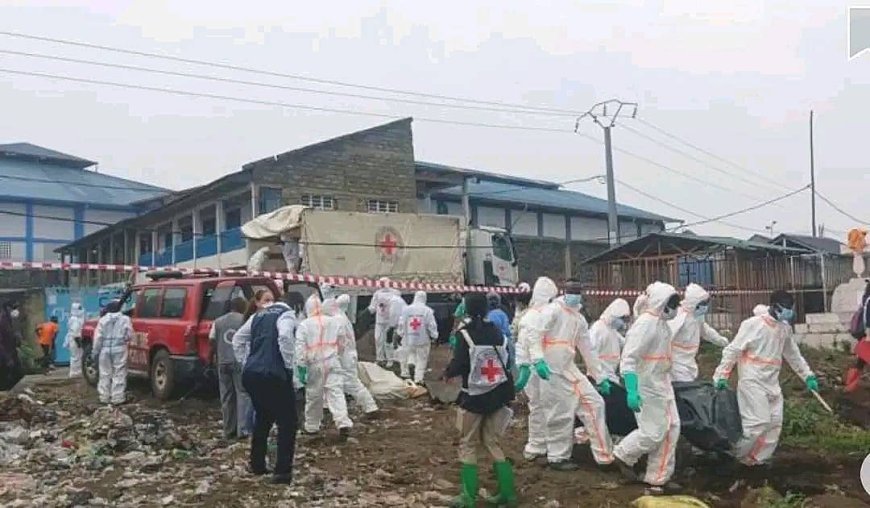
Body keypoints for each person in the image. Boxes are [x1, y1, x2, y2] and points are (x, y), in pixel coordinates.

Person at [713, 290, 817, 467]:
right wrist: (722, 374)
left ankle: (756, 460)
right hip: (752, 379)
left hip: (772, 381)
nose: (789, 313)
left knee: (775, 423)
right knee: (757, 423)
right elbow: (733, 350)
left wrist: (808, 375)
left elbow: (793, 355)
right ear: (775, 307)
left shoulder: (784, 329)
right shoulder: (752, 325)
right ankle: (735, 455)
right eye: (786, 309)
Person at [443, 293, 517, 508]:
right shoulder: (497, 333)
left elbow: (460, 363)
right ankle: (507, 494)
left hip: (474, 397)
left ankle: (468, 497)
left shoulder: (464, 334)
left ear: (465, 308)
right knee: (492, 441)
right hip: (498, 394)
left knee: (468, 443)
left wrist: (447, 374)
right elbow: (508, 359)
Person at [613, 282, 682, 493]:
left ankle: (658, 478)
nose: (676, 309)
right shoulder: (645, 324)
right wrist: (632, 389)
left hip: (662, 382)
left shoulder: (662, 324)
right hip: (646, 384)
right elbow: (629, 359)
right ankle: (623, 454)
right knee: (653, 433)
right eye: (673, 304)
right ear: (661, 303)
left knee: (672, 429)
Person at [539, 283, 613, 470]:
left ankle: (604, 456)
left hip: (568, 368)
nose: (575, 296)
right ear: (564, 293)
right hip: (551, 370)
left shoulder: (578, 319)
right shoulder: (552, 311)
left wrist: (599, 375)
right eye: (572, 292)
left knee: (595, 403)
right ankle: (557, 457)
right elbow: (534, 334)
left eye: (578, 293)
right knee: (559, 413)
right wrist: (536, 359)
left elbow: (587, 349)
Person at [232, 289, 298, 484]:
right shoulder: (286, 314)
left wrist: (246, 362)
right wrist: (289, 366)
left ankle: (257, 464)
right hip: (274, 374)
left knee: (263, 417)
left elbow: (237, 340)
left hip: (252, 375)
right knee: (288, 422)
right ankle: (282, 472)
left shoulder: (257, 316)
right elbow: (285, 337)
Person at [513, 276, 558, 462]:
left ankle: (544, 444)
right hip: (534, 369)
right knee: (538, 407)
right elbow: (526, 344)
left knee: (545, 407)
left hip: (541, 367)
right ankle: (536, 445)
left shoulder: (540, 315)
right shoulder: (532, 317)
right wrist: (526, 367)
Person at [295, 294, 353, 437]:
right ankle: (343, 421)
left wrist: (301, 369)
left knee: (314, 396)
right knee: (336, 393)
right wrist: (337, 355)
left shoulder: (304, 325)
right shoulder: (334, 322)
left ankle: (312, 426)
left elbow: (299, 349)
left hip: (314, 364)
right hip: (332, 361)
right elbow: (342, 343)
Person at [210, 297, 254, 440]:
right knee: (243, 394)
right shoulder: (246, 320)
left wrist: (214, 356)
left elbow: (211, 339)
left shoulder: (218, 321)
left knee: (227, 396)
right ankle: (243, 430)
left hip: (223, 362)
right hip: (239, 362)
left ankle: (228, 430)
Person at [668, 284, 729, 383]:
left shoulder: (697, 316)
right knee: (683, 388)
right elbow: (667, 337)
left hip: (689, 360)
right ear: (695, 303)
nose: (705, 306)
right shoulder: (679, 317)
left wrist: (723, 342)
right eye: (703, 303)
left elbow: (706, 331)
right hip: (676, 362)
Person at [329, 295, 378, 415]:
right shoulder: (343, 318)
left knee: (352, 383)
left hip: (344, 356)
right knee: (349, 382)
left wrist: (333, 354)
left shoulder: (337, 319)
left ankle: (370, 407)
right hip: (349, 354)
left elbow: (339, 340)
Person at [92, 300, 133, 405]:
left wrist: (95, 352)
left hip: (105, 350)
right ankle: (117, 398)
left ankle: (104, 397)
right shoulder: (125, 319)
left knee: (105, 373)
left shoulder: (102, 320)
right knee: (119, 372)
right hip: (120, 349)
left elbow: (98, 338)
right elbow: (129, 335)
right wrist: (123, 340)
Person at [396, 291, 439, 383]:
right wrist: (434, 336)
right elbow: (431, 325)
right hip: (423, 339)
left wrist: (400, 334)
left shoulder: (406, 309)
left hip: (408, 338)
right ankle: (418, 379)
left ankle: (410, 364)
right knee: (422, 359)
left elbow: (401, 323)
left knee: (411, 353)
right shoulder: (427, 311)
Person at [589, 298, 631, 385]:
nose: (622, 323)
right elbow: (591, 355)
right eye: (621, 319)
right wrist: (599, 378)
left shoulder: (612, 330)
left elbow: (626, 343)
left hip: (611, 377)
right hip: (600, 379)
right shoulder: (598, 329)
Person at [368, 279, 404, 367]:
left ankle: (390, 359)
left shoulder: (395, 293)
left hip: (390, 321)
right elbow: (372, 307)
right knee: (378, 339)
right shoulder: (377, 293)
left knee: (389, 341)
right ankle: (380, 358)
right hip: (379, 321)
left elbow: (398, 305)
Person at [844, 281, 870, 393]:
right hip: (868, 334)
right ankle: (851, 387)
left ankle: (850, 386)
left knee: (861, 361)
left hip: (865, 334)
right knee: (862, 360)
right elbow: (868, 319)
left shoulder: (866, 299)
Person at [486, 292, 514, 369]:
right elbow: (507, 330)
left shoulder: (486, 314)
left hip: (489, 344)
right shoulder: (503, 313)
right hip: (503, 343)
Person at [0, 302, 22, 391]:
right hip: (4, 358)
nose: (15, 311)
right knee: (5, 380)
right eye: (13, 308)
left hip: (11, 354)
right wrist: (7, 358)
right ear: (7, 309)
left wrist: (17, 338)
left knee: (16, 377)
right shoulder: (2, 321)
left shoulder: (9, 321)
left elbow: (11, 337)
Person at [64, 303, 86, 379]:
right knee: (76, 356)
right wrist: (79, 342)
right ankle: (75, 373)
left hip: (74, 339)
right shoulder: (75, 319)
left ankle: (77, 372)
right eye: (79, 308)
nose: (81, 310)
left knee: (77, 356)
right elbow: (75, 332)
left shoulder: (75, 318)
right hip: (75, 340)